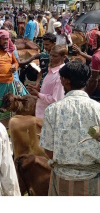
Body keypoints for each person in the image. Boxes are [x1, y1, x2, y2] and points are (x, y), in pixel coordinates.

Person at [40, 61, 100, 196]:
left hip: (62, 180)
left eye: (61, 79)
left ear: (66, 81)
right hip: (93, 180)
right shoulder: (97, 109)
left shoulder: (52, 110)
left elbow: (48, 149)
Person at [28, 46, 66, 118]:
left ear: (64, 57)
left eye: (54, 56)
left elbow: (56, 100)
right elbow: (50, 92)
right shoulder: (51, 70)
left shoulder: (61, 75)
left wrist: (38, 94)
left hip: (50, 116)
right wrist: (39, 90)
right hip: (43, 113)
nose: (51, 58)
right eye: (50, 55)